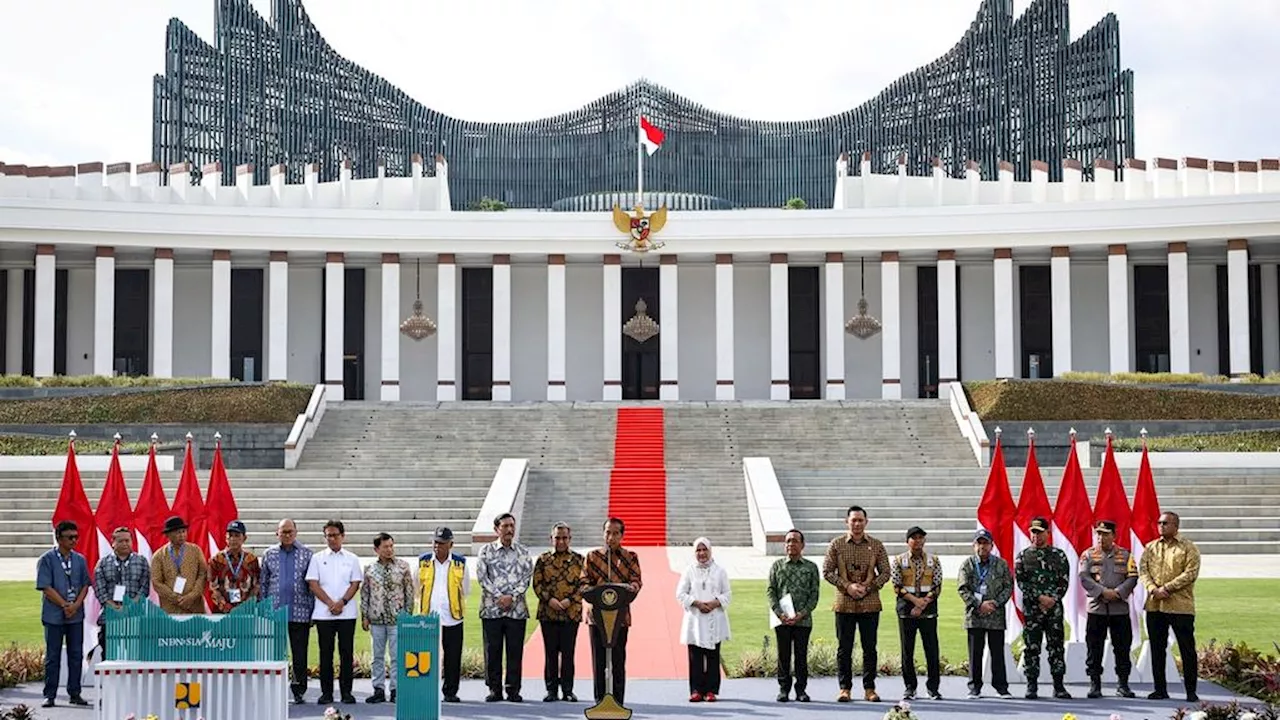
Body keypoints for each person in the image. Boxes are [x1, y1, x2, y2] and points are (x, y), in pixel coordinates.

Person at [822, 505, 890, 702]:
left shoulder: (876, 545)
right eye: (854, 520)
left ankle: (869, 688)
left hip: (870, 604)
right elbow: (827, 571)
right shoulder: (837, 544)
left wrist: (868, 588)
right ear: (847, 522)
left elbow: (886, 572)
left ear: (866, 522)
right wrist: (847, 586)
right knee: (844, 649)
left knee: (870, 648)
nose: (857, 524)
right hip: (844, 604)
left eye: (861, 520)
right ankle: (845, 688)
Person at [1139, 510, 1201, 702]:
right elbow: (1143, 570)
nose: (1161, 526)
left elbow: (1190, 573)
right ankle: (1160, 689)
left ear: (1176, 526)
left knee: (1187, 649)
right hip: (1155, 605)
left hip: (1180, 605)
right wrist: (1152, 588)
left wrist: (1167, 588)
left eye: (1165, 523)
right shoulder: (1151, 548)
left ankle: (1191, 691)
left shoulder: (1188, 548)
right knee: (1157, 649)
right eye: (1159, 523)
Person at [581, 517, 643, 705]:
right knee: (599, 661)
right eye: (608, 532)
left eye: (616, 533)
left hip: (620, 617)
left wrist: (632, 586)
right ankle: (600, 701)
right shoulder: (592, 557)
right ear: (603, 534)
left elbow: (636, 580)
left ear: (622, 535)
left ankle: (618, 701)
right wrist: (591, 592)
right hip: (596, 617)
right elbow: (583, 583)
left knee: (617, 660)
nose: (611, 537)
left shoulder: (630, 556)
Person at [475, 512, 534, 703]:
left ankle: (513, 689)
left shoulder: (523, 552)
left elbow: (526, 578)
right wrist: (500, 597)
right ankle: (494, 689)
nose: (509, 530)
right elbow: (483, 577)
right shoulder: (486, 551)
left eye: (511, 526)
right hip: (492, 610)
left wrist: (513, 596)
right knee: (492, 651)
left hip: (516, 611)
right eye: (505, 526)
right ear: (496, 529)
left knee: (515, 651)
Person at [305, 519, 363, 705]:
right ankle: (326, 693)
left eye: (335, 535)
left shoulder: (352, 558)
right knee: (326, 653)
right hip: (324, 613)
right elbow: (313, 584)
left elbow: (355, 583)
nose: (332, 539)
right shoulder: (317, 558)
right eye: (328, 536)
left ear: (343, 536)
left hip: (346, 613)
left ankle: (347, 692)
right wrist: (331, 603)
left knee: (346, 653)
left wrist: (342, 602)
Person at [1079, 520, 1138, 699]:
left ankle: (1123, 684)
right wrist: (1102, 592)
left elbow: (1133, 577)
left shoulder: (1126, 555)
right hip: (1097, 609)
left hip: (1119, 609)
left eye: (1105, 534)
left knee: (1122, 648)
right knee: (1094, 648)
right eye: (1098, 534)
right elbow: (1084, 576)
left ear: (1114, 536)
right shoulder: (1088, 555)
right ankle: (1095, 684)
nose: (1101, 537)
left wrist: (1118, 592)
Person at [1015, 516, 1072, 700]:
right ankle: (1031, 686)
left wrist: (1052, 599)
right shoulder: (1023, 556)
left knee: (1056, 647)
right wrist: (1039, 597)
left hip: (1053, 609)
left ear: (1048, 533)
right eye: (1033, 532)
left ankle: (1059, 686)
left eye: (1040, 532)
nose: (1036, 536)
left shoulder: (1059, 555)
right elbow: (1021, 582)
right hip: (1033, 609)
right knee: (1032, 647)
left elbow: (1064, 581)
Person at [36, 520, 91, 709]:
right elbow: (45, 587)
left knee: (76, 654)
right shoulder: (47, 559)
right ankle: (50, 694)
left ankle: (75, 692)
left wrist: (75, 605)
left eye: (76, 537)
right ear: (59, 538)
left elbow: (85, 585)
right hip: (54, 615)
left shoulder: (80, 559)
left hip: (75, 615)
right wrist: (64, 604)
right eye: (70, 537)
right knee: (53, 656)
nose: (74, 541)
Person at [260, 518, 315, 704]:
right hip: (276, 613)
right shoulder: (269, 554)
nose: (288, 535)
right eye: (284, 532)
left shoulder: (307, 554)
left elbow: (312, 585)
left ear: (296, 532)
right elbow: (264, 584)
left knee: (299, 654)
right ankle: (275, 689)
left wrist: (312, 612)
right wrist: (263, 611)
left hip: (300, 613)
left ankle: (298, 690)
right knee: (275, 653)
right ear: (277, 533)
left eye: (290, 531)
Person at [957, 529, 1014, 700]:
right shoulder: (967, 564)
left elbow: (1008, 587)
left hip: (995, 615)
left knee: (997, 652)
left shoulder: (1001, 564)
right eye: (979, 543)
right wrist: (979, 604)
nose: (982, 546)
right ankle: (974, 687)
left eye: (986, 543)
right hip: (975, 616)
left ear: (991, 545)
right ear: (974, 546)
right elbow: (962, 588)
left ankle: (1001, 687)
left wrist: (995, 603)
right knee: (975, 653)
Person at [531, 522, 585, 702]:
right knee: (551, 653)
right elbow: (537, 584)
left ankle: (568, 690)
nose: (561, 541)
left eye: (564, 538)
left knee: (568, 654)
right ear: (551, 539)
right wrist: (550, 600)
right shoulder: (543, 559)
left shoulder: (579, 560)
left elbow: (584, 585)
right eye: (557, 538)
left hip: (571, 613)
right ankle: (551, 690)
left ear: (570, 539)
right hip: (549, 614)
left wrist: (569, 600)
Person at [767, 528, 820, 703]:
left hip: (803, 621)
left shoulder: (811, 567)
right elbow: (771, 591)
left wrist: (801, 614)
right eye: (788, 541)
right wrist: (779, 613)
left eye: (795, 541)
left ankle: (801, 690)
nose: (791, 544)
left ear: (802, 545)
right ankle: (783, 689)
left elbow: (814, 595)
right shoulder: (777, 566)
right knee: (783, 656)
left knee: (801, 656)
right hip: (782, 620)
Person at [890, 526, 943, 701]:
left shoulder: (933, 560)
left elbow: (936, 586)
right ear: (907, 541)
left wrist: (923, 603)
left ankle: (933, 688)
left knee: (932, 650)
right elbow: (897, 586)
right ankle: (910, 688)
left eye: (921, 538)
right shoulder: (899, 560)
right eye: (914, 538)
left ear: (924, 540)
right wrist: (915, 601)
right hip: (907, 611)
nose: (917, 541)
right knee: (907, 651)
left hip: (927, 612)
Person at [419, 526, 470, 704]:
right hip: (428, 618)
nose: (437, 546)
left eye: (441, 543)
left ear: (451, 544)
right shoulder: (423, 561)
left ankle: (450, 691)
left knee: (453, 657)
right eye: (435, 542)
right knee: (427, 657)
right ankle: (426, 691)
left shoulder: (460, 562)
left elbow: (466, 589)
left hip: (453, 617)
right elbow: (417, 586)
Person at [676, 537, 732, 702]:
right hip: (695, 619)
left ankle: (711, 691)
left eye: (704, 549)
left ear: (710, 550)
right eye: (698, 550)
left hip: (714, 617)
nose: (701, 553)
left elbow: (727, 594)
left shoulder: (720, 571)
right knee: (695, 656)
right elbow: (680, 593)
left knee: (713, 656)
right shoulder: (689, 571)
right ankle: (696, 690)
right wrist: (697, 603)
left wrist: (715, 603)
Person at [361, 532, 414, 705]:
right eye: (385, 547)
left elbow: (409, 593)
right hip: (376, 619)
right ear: (376, 549)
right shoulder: (369, 568)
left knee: (397, 656)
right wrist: (365, 616)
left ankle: (395, 690)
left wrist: (408, 615)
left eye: (391, 546)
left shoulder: (403, 566)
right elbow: (365, 594)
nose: (389, 549)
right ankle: (378, 689)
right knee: (377, 656)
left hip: (397, 619)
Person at [91, 526, 150, 656]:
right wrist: (113, 606)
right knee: (109, 656)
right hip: (110, 616)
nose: (124, 544)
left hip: (135, 615)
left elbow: (144, 588)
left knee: (135, 655)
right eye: (120, 541)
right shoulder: (103, 563)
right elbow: (99, 589)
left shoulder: (141, 561)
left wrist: (131, 605)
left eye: (127, 540)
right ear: (113, 542)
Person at [150, 515, 209, 614]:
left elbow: (203, 574)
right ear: (168, 535)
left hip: (194, 606)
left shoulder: (195, 550)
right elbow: (156, 582)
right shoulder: (158, 556)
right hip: (170, 607)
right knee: (173, 629)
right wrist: (175, 598)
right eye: (178, 533)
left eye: (183, 531)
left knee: (195, 629)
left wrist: (191, 596)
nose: (182, 535)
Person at [209, 520, 260, 613]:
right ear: (226, 538)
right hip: (222, 612)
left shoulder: (251, 560)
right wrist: (227, 607)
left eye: (237, 536)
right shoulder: (216, 560)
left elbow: (256, 586)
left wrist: (245, 607)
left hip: (246, 612)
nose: (233, 539)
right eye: (230, 535)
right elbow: (212, 588)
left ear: (244, 538)